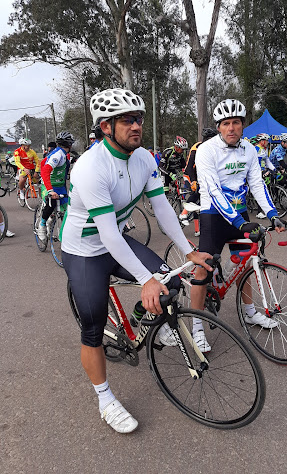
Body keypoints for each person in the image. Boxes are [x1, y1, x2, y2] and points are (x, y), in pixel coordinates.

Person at [60, 88, 211, 434]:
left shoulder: (143, 158)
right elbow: (109, 235)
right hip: (86, 251)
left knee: (171, 280)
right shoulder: (90, 167)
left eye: (138, 119)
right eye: (126, 120)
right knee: (93, 327)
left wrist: (187, 250)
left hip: (116, 241)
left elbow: (162, 209)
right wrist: (146, 280)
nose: (136, 126)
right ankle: (105, 399)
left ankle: (140, 321)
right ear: (105, 127)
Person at [191, 98, 286, 352]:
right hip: (213, 215)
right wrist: (239, 223)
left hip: (239, 213)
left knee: (245, 261)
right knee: (203, 269)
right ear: (219, 127)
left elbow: (257, 184)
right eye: (226, 124)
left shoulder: (250, 150)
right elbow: (211, 190)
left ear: (243, 126)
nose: (231, 128)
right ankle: (197, 327)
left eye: (236, 123)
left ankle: (249, 311)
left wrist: (272, 214)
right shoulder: (206, 150)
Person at [179, 127, 217, 235]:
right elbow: (190, 167)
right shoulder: (197, 147)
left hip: (201, 174)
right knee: (197, 194)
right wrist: (193, 182)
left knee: (201, 202)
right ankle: (184, 213)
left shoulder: (212, 147)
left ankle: (197, 230)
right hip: (190, 174)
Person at [37, 132, 75, 240]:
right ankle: (42, 224)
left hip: (60, 186)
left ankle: (52, 220)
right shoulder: (57, 155)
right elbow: (45, 170)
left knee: (67, 210)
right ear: (69, 144)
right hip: (49, 185)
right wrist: (49, 190)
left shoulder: (63, 153)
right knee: (51, 202)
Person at [253, 133, 276, 219]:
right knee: (260, 190)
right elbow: (253, 163)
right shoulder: (255, 149)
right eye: (266, 140)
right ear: (262, 141)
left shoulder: (263, 150)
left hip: (263, 171)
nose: (267, 142)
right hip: (256, 172)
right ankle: (258, 212)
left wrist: (274, 169)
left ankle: (268, 209)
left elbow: (267, 161)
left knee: (266, 190)